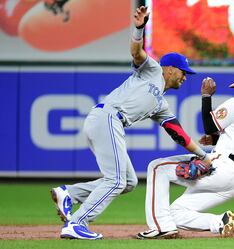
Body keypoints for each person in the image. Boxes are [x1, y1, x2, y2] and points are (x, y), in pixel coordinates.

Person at [50, 6, 212, 240]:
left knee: (127, 182)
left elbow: (178, 134)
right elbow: (137, 53)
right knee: (115, 180)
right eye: (183, 71)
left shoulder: (161, 104)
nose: (185, 76)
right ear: (169, 69)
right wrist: (139, 28)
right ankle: (77, 222)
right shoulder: (153, 70)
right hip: (108, 118)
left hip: (107, 121)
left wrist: (203, 155)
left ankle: (69, 194)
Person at [137, 69, 234, 239]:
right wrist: (218, 140)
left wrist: (206, 96)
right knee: (175, 213)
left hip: (221, 167)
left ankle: (159, 227)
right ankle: (220, 222)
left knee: (157, 167)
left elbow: (210, 127)